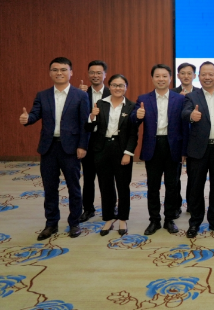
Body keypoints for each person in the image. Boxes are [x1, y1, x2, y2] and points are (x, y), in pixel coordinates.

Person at [19, 57, 90, 240]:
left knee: (74, 187)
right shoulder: (42, 95)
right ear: (50, 73)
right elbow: (34, 114)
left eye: (63, 69)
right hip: (48, 148)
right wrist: (27, 119)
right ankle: (51, 223)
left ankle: (74, 223)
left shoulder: (80, 95)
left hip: (71, 148)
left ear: (71, 72)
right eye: (55, 70)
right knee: (50, 188)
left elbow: (85, 124)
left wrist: (83, 145)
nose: (59, 73)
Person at [131, 64, 187, 235]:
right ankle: (154, 220)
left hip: (173, 147)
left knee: (172, 185)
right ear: (152, 78)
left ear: (170, 78)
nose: (161, 79)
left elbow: (185, 127)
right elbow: (133, 120)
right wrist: (137, 116)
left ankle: (169, 219)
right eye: (157, 76)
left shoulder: (180, 99)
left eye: (164, 76)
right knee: (153, 186)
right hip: (153, 146)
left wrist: (184, 151)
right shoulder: (143, 99)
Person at [86, 74, 137, 236]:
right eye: (114, 85)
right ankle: (108, 218)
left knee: (123, 185)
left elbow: (133, 134)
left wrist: (128, 153)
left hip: (122, 150)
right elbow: (89, 129)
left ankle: (122, 218)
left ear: (126, 87)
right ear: (109, 87)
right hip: (102, 149)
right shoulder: (100, 104)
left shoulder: (131, 106)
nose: (117, 88)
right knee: (105, 185)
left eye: (121, 85)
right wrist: (92, 116)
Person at [182, 62, 214, 237]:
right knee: (195, 187)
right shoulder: (192, 96)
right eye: (204, 74)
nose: (207, 77)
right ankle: (195, 223)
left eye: (211, 74)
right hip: (198, 149)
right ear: (198, 77)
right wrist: (191, 116)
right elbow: (184, 113)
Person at [78, 60, 112, 223]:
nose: (95, 75)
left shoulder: (113, 92)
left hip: (107, 143)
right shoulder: (81, 93)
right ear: (88, 74)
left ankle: (110, 208)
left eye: (99, 73)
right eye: (92, 72)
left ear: (105, 75)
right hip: (89, 142)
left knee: (108, 179)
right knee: (88, 178)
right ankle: (88, 209)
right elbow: (78, 119)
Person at [171, 62, 199, 217]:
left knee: (194, 176)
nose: (186, 76)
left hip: (195, 139)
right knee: (174, 176)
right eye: (183, 73)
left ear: (194, 76)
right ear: (178, 75)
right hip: (177, 139)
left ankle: (192, 204)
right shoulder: (172, 93)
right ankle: (176, 205)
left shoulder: (200, 93)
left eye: (189, 73)